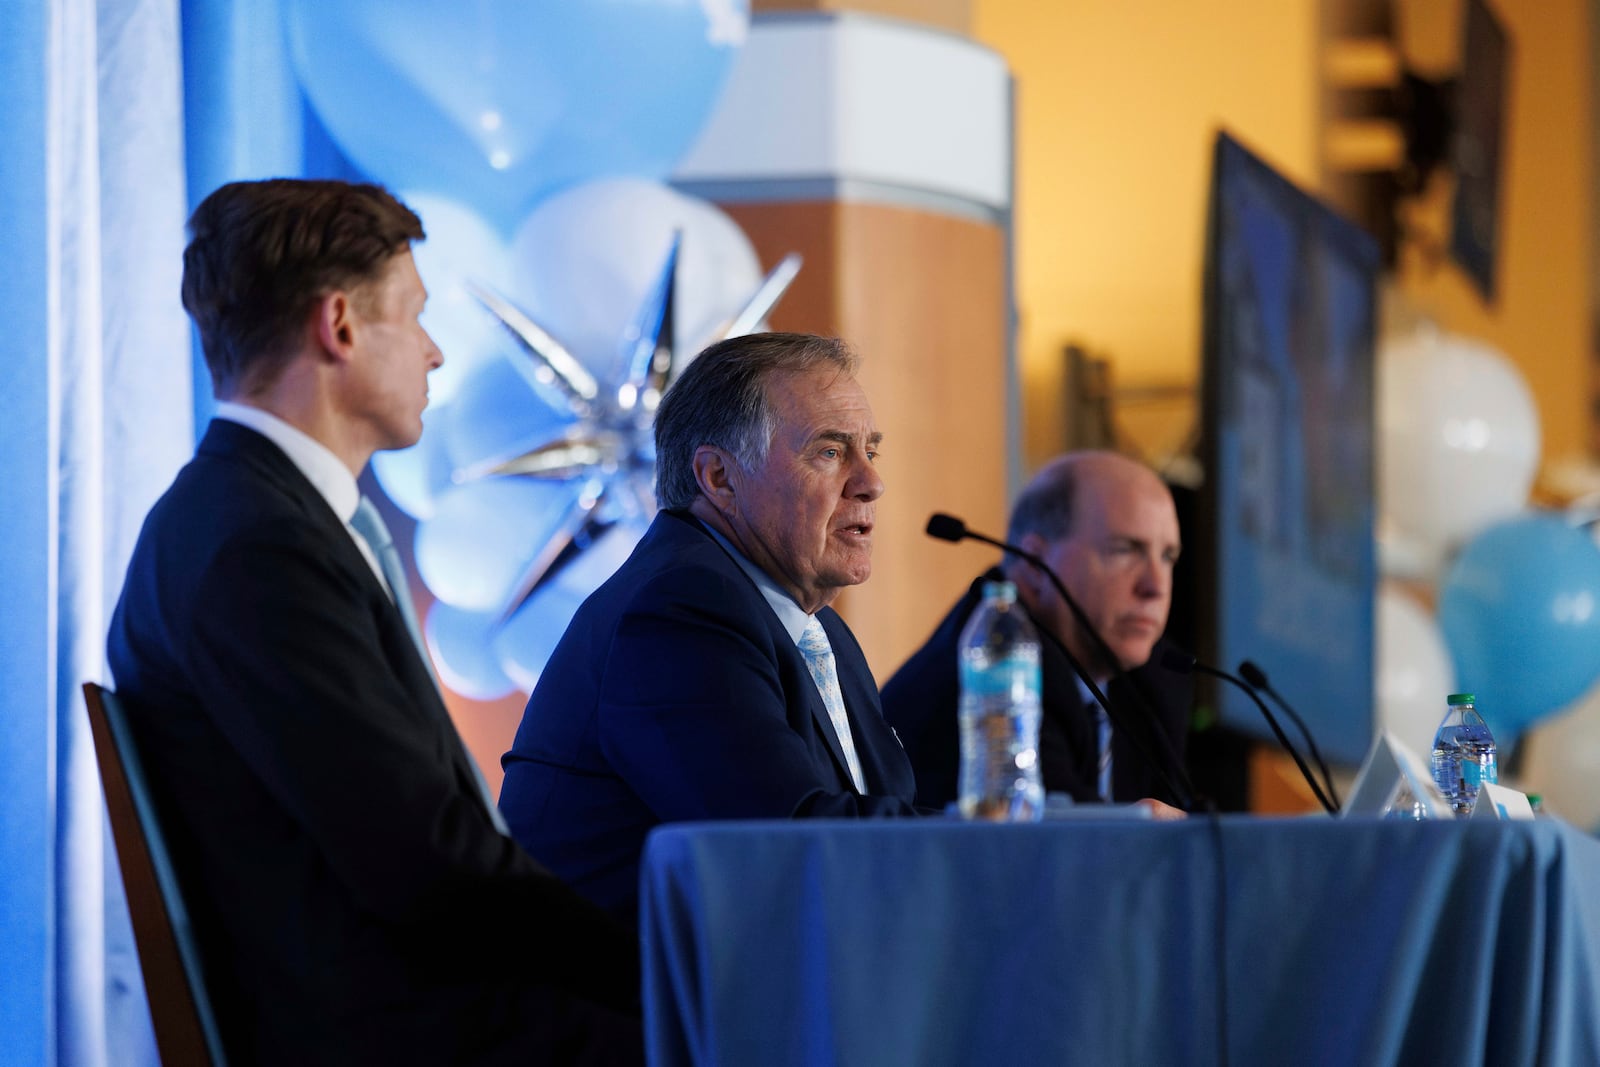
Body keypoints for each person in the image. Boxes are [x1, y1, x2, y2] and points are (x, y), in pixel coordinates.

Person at [106, 179, 640, 1066]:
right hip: (392, 1033)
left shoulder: (254, 518)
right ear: (342, 325)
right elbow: (427, 864)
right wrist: (654, 966)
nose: (434, 353)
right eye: (415, 315)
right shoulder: (256, 545)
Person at [499, 332, 919, 924]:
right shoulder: (677, 611)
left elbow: (885, 809)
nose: (870, 482)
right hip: (629, 1006)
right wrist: (991, 837)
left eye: (870, 451)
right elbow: (785, 845)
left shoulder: (817, 631)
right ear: (719, 478)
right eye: (829, 451)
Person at [881, 451, 1191, 814]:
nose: (1155, 586)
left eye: (1168, 556)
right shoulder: (992, 663)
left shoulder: (1154, 682)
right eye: (1125, 550)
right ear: (1035, 565)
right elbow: (1050, 845)